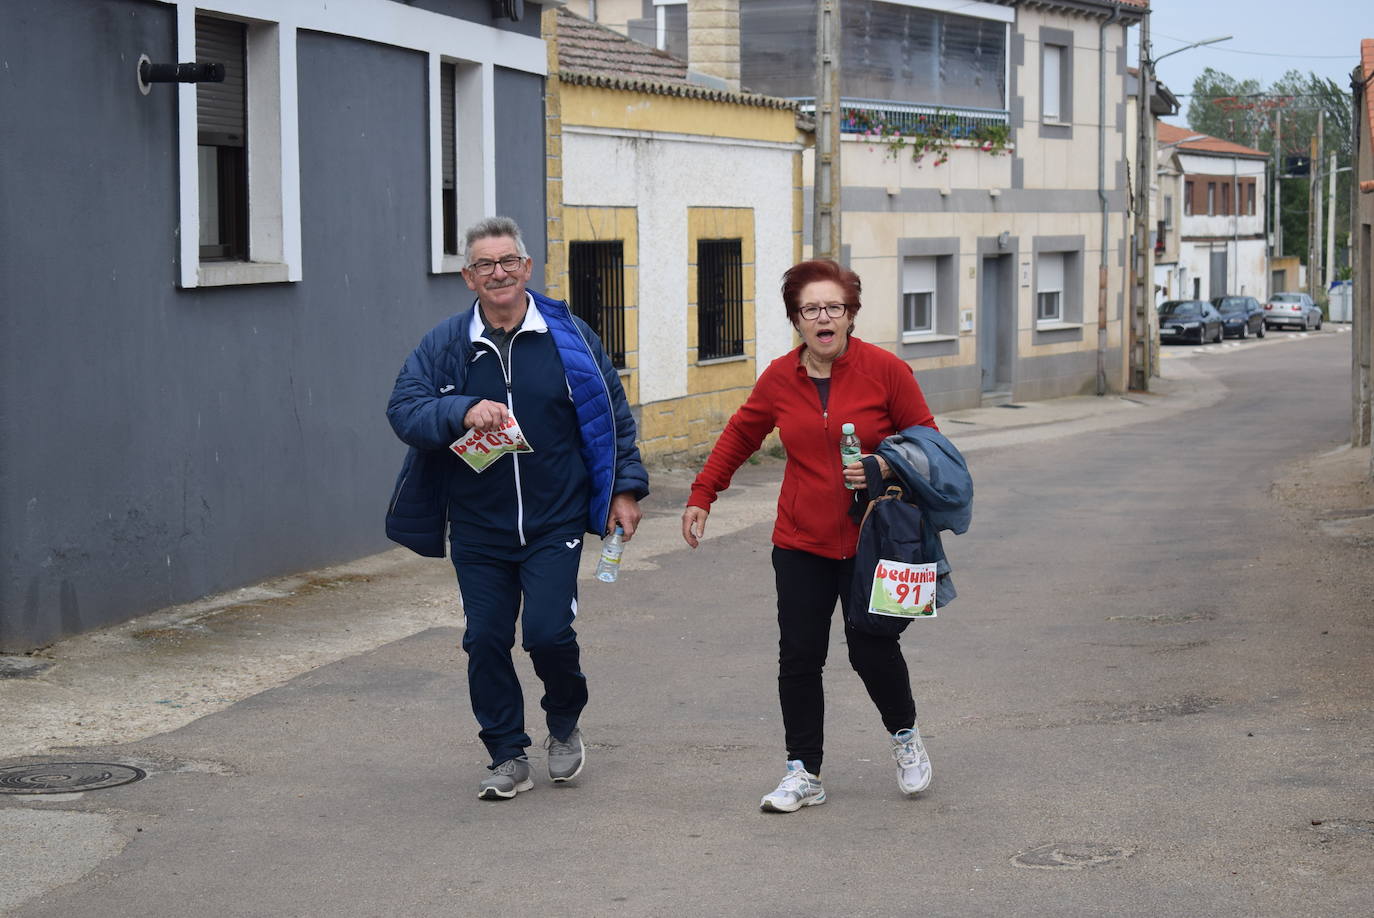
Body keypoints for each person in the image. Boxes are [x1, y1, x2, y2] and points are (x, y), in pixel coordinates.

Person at [386, 216, 648, 800]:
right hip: (478, 525)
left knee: (548, 635)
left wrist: (624, 489)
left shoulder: (569, 337)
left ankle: (564, 721)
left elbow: (610, 417)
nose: (498, 273)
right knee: (484, 640)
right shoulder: (447, 344)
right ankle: (506, 753)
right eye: (485, 264)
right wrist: (459, 411)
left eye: (508, 261)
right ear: (468, 277)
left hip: (555, 518)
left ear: (527, 268)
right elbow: (404, 410)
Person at [680, 258, 938, 812]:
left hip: (876, 540)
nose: (823, 318)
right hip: (801, 541)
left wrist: (883, 467)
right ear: (796, 319)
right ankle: (804, 772)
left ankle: (905, 736)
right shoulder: (780, 377)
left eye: (834, 308)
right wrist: (703, 494)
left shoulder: (886, 371)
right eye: (811, 309)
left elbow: (928, 444)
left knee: (872, 649)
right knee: (799, 656)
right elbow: (741, 435)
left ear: (850, 315)